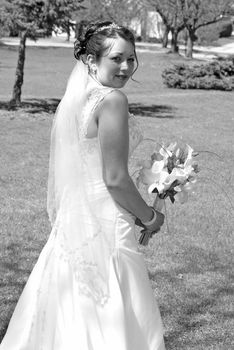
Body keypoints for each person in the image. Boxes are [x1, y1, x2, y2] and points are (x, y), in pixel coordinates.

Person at [0, 21, 166, 350]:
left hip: (76, 216)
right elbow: (114, 178)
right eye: (117, 58)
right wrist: (149, 216)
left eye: (131, 59)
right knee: (110, 304)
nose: (126, 67)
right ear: (91, 61)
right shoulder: (113, 100)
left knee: (69, 299)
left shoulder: (77, 99)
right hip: (105, 218)